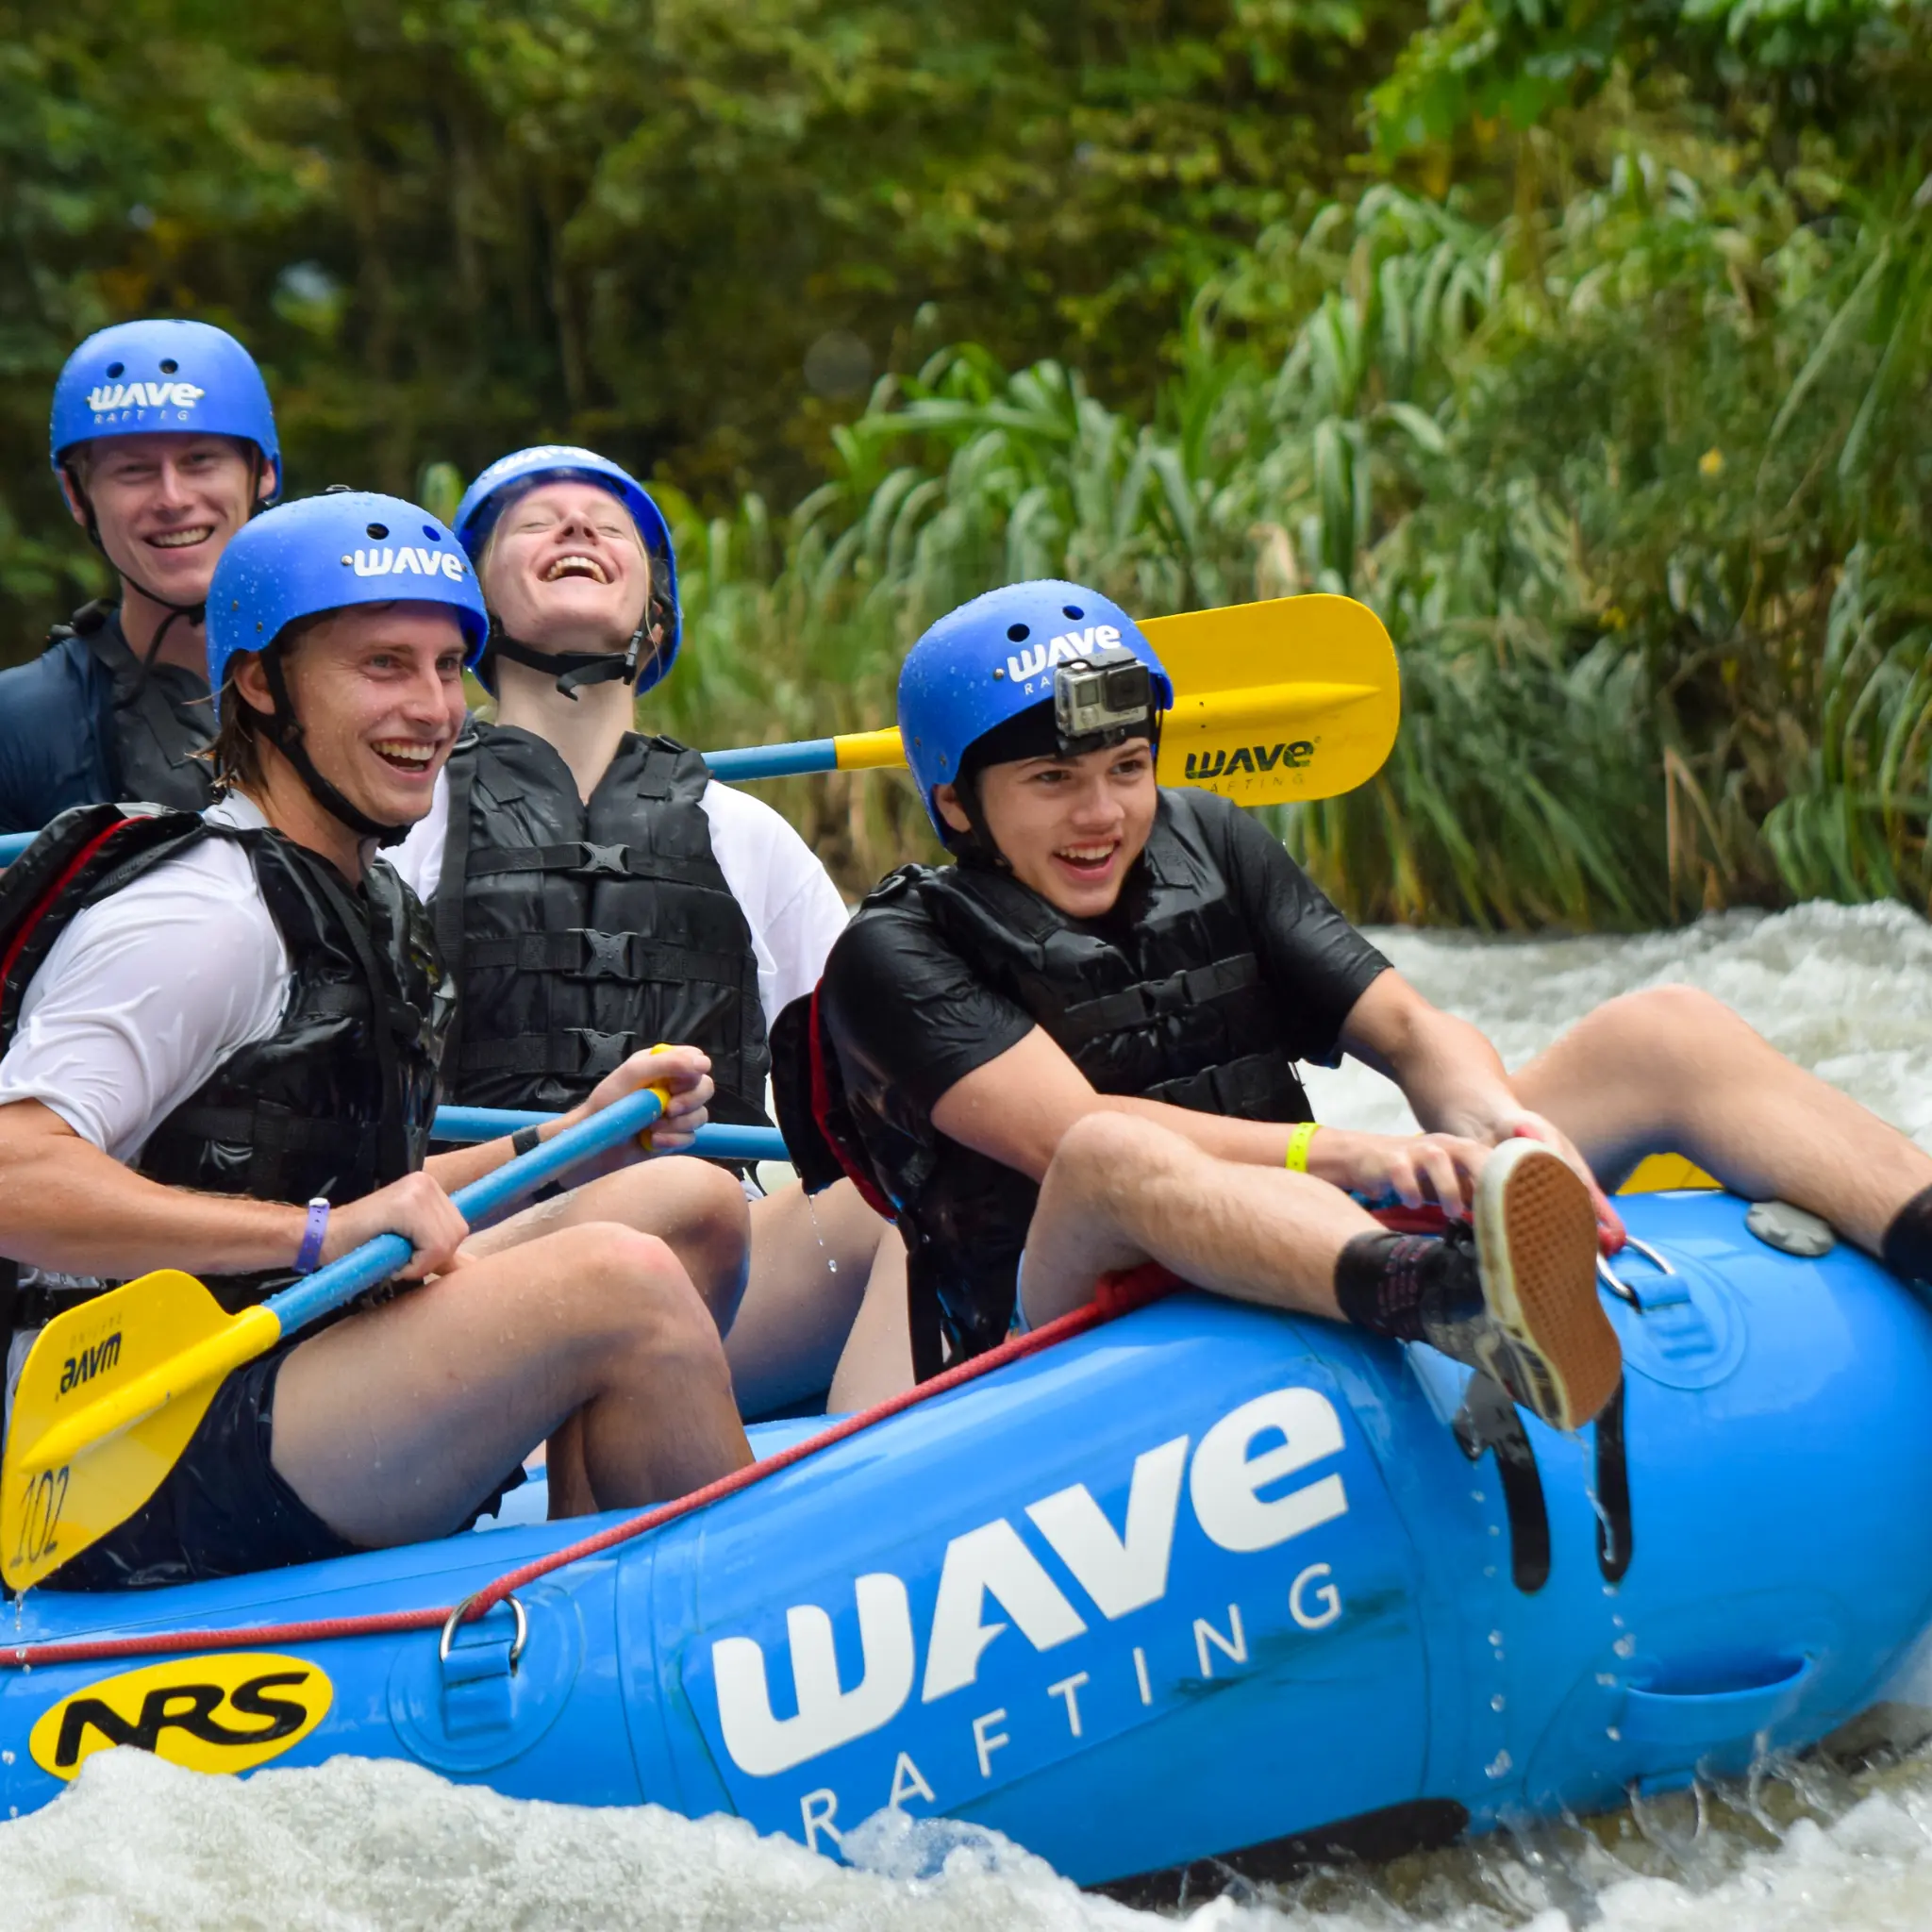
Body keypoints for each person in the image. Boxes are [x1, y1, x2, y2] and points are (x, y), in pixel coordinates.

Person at [793, 579, 1932, 1421]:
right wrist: (1355, 1159)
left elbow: (1406, 1025)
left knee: (1661, 1029)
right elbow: (1062, 1139)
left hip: (1305, 1222)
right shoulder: (894, 954)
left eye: (1125, 768)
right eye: (1051, 781)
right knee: (1103, 1150)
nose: (1102, 813)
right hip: (1060, 1328)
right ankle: (1452, 1300)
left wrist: (1485, 1116)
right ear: (954, 804)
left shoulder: (1209, 839)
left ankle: (1915, 1230)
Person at [0, 489, 755, 1591]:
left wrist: (567, 1138)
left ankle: (588, 1595)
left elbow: (350, 1186)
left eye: (448, 667)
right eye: (384, 666)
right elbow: (16, 1171)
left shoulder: (365, 889)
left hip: (273, 1342)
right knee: (618, 1281)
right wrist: (318, 1234)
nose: (434, 708)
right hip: (112, 1440)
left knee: (679, 1203)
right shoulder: (199, 913)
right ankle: (741, 1625)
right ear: (260, 683)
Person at [387, 446, 895, 1414]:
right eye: (535, 522)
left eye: (607, 525)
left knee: (907, 1197)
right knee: (654, 1211)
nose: (575, 528)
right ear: (473, 612)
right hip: (477, 1275)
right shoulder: (403, 827)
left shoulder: (748, 835)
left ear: (653, 614)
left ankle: (861, 1516)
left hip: (718, 1270)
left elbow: (865, 1088)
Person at [0, 320, 283, 835]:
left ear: (262, 470)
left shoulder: (362, 680)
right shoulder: (19, 725)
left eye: (200, 460)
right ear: (76, 495)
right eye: (133, 469)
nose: (172, 498)